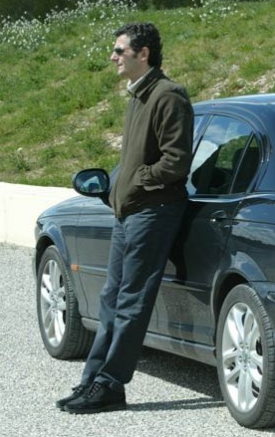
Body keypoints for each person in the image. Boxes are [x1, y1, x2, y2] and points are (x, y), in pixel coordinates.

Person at [57, 22, 194, 414]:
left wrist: (137, 181)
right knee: (111, 297)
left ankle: (111, 385)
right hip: (129, 213)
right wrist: (125, 189)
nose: (113, 57)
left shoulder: (168, 97)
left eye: (120, 50)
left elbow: (176, 161)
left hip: (154, 212)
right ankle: (94, 379)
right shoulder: (137, 97)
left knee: (132, 300)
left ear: (143, 53)